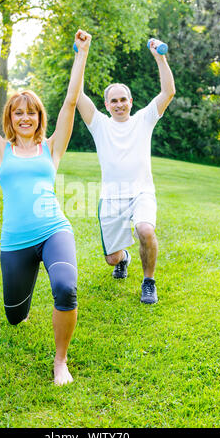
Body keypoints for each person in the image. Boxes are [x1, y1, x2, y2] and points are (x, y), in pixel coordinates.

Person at [0, 28, 91, 385]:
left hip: (53, 230)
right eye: (18, 113)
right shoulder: (0, 150)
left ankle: (60, 361)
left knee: (65, 287)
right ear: (11, 119)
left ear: (39, 117)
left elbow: (70, 102)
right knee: (15, 317)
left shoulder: (52, 147)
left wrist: (81, 53)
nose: (26, 118)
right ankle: (22, 303)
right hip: (15, 242)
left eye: (31, 112)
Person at [77, 39, 175, 304]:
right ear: (106, 105)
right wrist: (82, 56)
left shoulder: (144, 119)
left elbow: (167, 92)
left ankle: (148, 281)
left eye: (123, 99)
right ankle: (124, 258)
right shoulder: (99, 124)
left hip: (141, 192)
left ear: (130, 102)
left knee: (145, 229)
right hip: (112, 196)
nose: (119, 104)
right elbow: (76, 95)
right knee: (112, 259)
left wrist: (159, 58)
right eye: (113, 101)